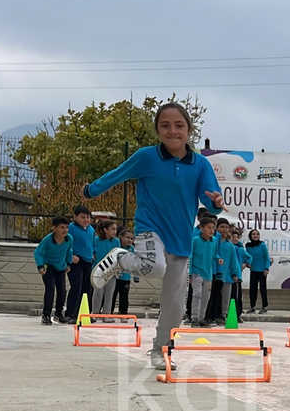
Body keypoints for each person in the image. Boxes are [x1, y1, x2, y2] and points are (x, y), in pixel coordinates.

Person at [86, 102, 225, 369]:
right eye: (165, 125)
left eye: (179, 125)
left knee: (175, 305)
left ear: (189, 129)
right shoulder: (146, 157)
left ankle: (161, 350)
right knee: (153, 265)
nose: (172, 131)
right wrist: (92, 190)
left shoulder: (200, 165)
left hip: (181, 239)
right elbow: (118, 174)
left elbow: (211, 198)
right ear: (158, 130)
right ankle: (120, 259)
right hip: (150, 227)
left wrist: (217, 201)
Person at [34, 216, 73, 325]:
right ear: (54, 228)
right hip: (48, 267)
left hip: (60, 267)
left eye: (66, 227)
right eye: (62, 227)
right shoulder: (48, 240)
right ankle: (46, 315)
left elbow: (69, 251)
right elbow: (38, 252)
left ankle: (58, 314)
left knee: (62, 291)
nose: (65, 230)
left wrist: (68, 263)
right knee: (50, 289)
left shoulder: (69, 239)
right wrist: (40, 266)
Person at [64, 205, 95, 320]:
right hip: (75, 262)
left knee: (87, 289)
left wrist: (93, 254)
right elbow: (65, 243)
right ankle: (71, 314)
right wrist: (70, 256)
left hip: (88, 262)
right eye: (83, 217)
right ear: (75, 217)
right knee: (76, 287)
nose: (86, 220)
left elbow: (92, 244)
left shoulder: (91, 229)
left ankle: (85, 314)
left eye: (88, 217)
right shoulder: (71, 228)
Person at [188, 216, 218, 327]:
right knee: (197, 294)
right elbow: (190, 257)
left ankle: (202, 318)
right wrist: (190, 273)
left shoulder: (214, 241)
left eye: (213, 228)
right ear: (201, 228)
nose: (211, 230)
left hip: (208, 273)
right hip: (197, 272)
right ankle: (194, 318)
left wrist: (218, 258)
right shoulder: (195, 240)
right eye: (209, 228)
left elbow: (215, 254)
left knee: (206, 296)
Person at [90, 218, 121, 317]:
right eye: (112, 229)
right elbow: (93, 254)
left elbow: (118, 255)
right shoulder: (96, 240)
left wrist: (117, 270)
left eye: (115, 229)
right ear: (105, 230)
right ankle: (95, 313)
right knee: (98, 293)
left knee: (109, 294)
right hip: (98, 271)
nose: (114, 231)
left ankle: (106, 315)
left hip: (111, 272)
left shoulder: (116, 241)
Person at [245, 228, 272, 314]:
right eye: (253, 234)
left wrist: (266, 268)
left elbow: (266, 257)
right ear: (250, 236)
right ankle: (252, 307)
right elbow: (248, 257)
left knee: (263, 289)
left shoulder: (262, 245)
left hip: (262, 271)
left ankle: (264, 307)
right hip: (253, 270)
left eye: (257, 234)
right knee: (252, 289)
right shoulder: (248, 246)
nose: (255, 235)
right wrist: (247, 263)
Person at [113, 229, 136, 316]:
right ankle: (108, 312)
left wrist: (136, 275)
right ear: (121, 237)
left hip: (126, 277)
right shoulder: (116, 248)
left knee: (124, 296)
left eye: (131, 238)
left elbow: (134, 263)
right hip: (114, 276)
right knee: (112, 295)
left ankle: (123, 313)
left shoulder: (132, 250)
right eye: (127, 237)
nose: (130, 240)